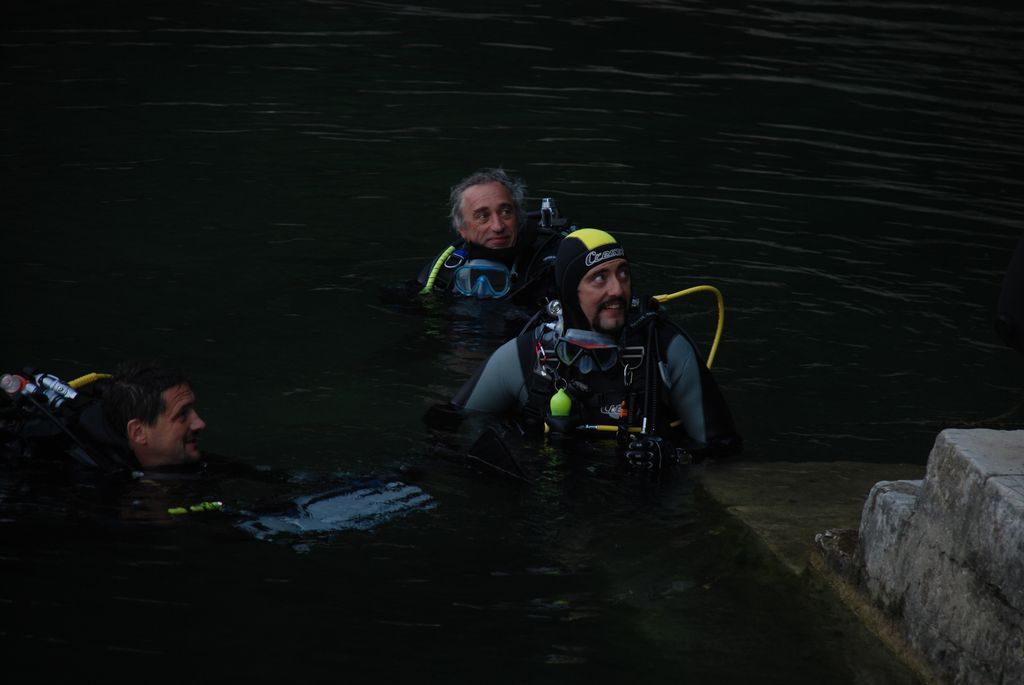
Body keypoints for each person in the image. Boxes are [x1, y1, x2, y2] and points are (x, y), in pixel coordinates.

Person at [447, 228, 742, 465]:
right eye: (599, 278)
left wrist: (674, 457)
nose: (617, 289)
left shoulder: (665, 350)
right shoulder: (525, 356)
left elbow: (725, 449)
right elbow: (450, 427)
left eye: (623, 273)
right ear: (570, 291)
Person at [1, 363, 206, 473]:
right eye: (182, 414)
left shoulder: (187, 460)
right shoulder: (83, 487)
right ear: (138, 432)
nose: (200, 423)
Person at [413, 168, 571, 307]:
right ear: (462, 229)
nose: (498, 226)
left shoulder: (552, 263)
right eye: (483, 216)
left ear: (518, 217)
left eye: (506, 212)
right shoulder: (443, 273)